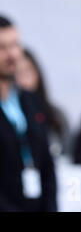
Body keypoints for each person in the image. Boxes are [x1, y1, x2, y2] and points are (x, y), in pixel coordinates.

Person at [0, 15, 57, 211]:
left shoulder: (30, 100)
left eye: (15, 45)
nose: (12, 54)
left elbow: (47, 164)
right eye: (3, 47)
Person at [14, 48, 70, 157]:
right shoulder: (9, 116)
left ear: (37, 73)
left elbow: (68, 155)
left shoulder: (56, 115)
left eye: (28, 70)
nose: (23, 77)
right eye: (17, 72)